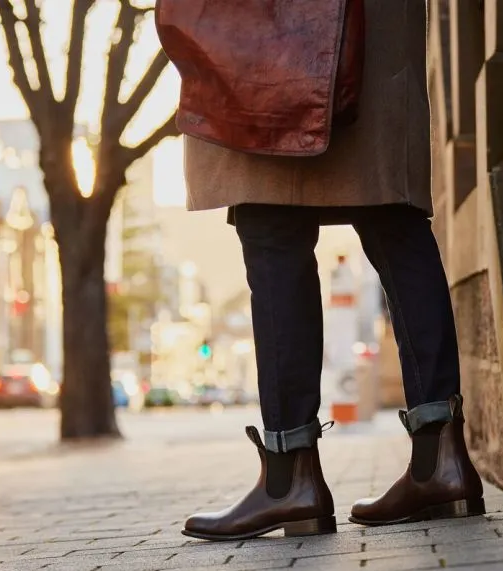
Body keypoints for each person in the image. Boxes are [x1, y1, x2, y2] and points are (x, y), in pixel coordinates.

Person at [181, 0, 485, 541]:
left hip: (262, 27)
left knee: (272, 227)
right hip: (375, 23)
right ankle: (439, 460)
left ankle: (289, 478)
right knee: (393, 216)